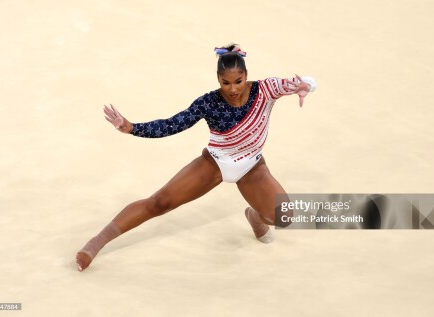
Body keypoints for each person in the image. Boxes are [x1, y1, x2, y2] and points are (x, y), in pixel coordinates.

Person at [75, 44, 317, 271]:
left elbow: (297, 83)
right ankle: (97, 242)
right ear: (218, 80)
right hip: (215, 163)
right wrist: (132, 128)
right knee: (159, 203)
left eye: (238, 81)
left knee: (284, 216)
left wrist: (305, 84)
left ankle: (254, 216)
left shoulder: (265, 89)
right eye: (225, 82)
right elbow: (173, 124)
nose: (232, 89)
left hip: (252, 166)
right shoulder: (209, 102)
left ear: (246, 75)